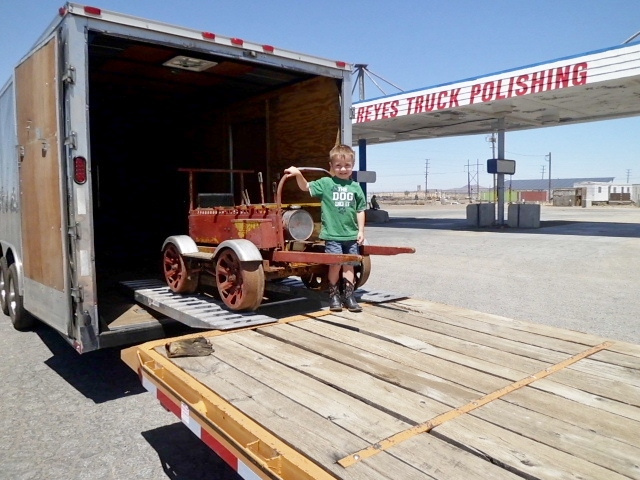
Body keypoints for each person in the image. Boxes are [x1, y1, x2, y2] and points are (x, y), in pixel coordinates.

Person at [284, 144, 366, 312]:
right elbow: (306, 187)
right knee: (335, 265)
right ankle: (334, 295)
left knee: (350, 265)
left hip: (350, 235)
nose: (343, 169)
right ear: (331, 166)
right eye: (338, 166)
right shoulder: (326, 183)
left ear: (352, 166)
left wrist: (361, 231)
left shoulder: (355, 187)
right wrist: (299, 174)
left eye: (347, 166)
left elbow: (360, 210)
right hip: (333, 235)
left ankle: (349, 296)